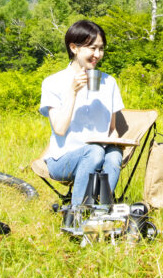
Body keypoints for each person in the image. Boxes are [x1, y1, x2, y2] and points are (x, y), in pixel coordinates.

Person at [39, 20, 124, 204]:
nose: (97, 54)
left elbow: (114, 129)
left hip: (99, 154)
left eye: (101, 49)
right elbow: (60, 129)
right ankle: (76, 214)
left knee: (114, 154)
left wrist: (117, 141)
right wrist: (72, 92)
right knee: (94, 152)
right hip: (63, 158)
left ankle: (102, 214)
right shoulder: (53, 82)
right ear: (74, 48)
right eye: (92, 48)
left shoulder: (109, 83)